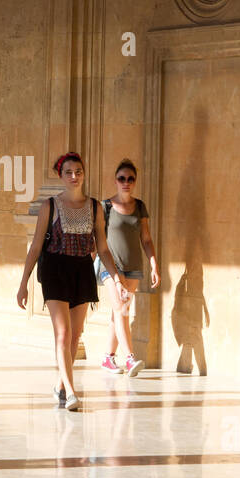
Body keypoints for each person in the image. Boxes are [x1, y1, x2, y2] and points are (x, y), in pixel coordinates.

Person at [16, 151, 125, 411]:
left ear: (84, 173)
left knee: (75, 336)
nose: (74, 176)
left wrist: (117, 279)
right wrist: (23, 284)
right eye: (68, 172)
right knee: (62, 334)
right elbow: (34, 248)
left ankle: (60, 383)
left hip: (82, 270)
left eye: (78, 171)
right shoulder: (49, 206)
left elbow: (104, 248)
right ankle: (72, 391)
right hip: (55, 269)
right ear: (60, 175)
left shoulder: (95, 207)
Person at [95, 158, 160, 377]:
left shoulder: (139, 207)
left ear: (135, 181)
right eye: (122, 178)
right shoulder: (105, 207)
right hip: (110, 266)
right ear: (115, 181)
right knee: (121, 309)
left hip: (133, 266)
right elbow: (98, 241)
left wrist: (153, 265)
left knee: (120, 312)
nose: (126, 182)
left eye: (130, 179)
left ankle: (108, 358)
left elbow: (146, 239)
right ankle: (130, 359)